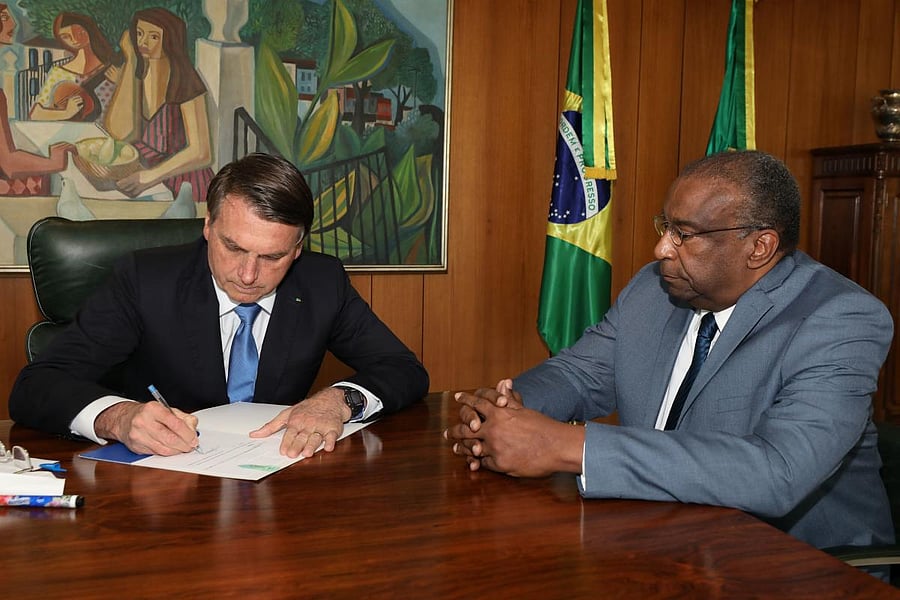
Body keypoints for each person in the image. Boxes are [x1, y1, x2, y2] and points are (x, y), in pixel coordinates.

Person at [445, 150, 894, 552]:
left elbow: (778, 473)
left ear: (760, 247)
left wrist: (567, 446)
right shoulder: (654, 288)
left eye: (685, 234)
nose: (661, 248)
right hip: (662, 538)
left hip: (798, 564)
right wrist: (502, 414)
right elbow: (577, 375)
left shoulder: (840, 319)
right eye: (665, 227)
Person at [9, 152, 429, 458]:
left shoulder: (322, 282)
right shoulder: (145, 281)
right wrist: (117, 417)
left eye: (272, 257)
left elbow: (403, 369)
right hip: (162, 490)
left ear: (298, 248)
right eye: (234, 247)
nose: (248, 275)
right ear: (208, 226)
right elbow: (36, 386)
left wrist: (339, 400)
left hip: (276, 482)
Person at [103, 7, 213, 202]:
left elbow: (202, 152)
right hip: (142, 172)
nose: (143, 42)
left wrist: (150, 177)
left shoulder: (186, 82)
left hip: (183, 181)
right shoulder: (137, 74)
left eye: (154, 36)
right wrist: (130, 60)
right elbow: (120, 132)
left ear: (171, 41)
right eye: (139, 34)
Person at [29, 12, 121, 122]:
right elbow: (36, 114)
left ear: (89, 31)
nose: (74, 39)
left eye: (79, 32)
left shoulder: (113, 69)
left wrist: (120, 83)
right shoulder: (59, 72)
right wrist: (65, 113)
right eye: (66, 36)